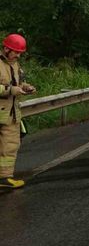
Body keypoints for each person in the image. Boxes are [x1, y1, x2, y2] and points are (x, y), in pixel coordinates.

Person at [0, 34, 35, 189]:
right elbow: (8, 88)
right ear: (6, 49)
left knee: (10, 145)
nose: (18, 55)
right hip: (3, 111)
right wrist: (10, 90)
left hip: (11, 113)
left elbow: (19, 82)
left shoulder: (15, 65)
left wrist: (25, 87)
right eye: (15, 51)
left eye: (20, 52)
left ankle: (4, 177)